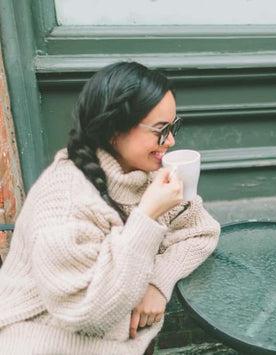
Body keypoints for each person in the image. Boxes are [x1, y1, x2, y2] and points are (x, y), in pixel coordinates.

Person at [0, 61, 220, 354]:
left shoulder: (144, 174)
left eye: (173, 126)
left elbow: (201, 232)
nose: (171, 140)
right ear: (114, 129)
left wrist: (157, 283)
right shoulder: (64, 202)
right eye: (160, 130)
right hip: (42, 339)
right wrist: (146, 217)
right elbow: (91, 315)